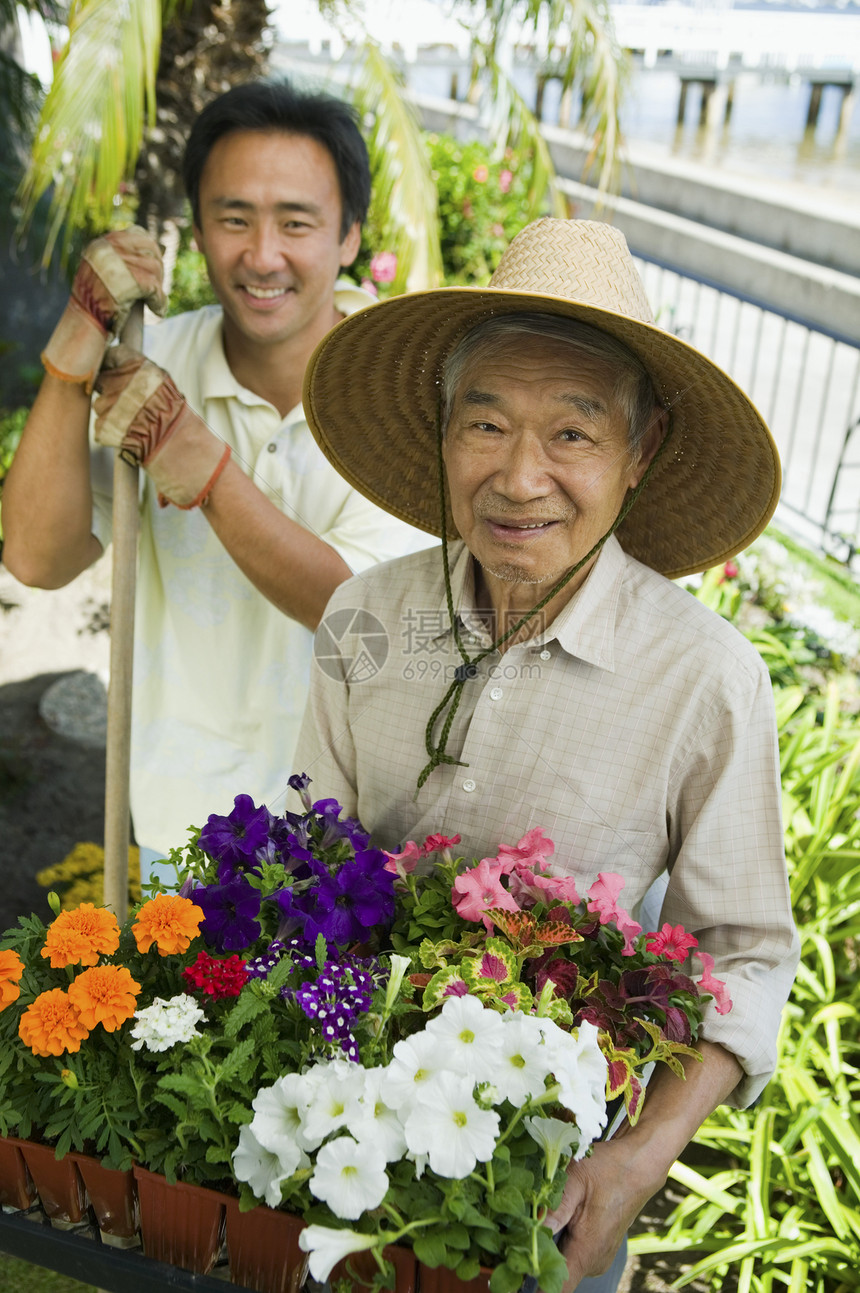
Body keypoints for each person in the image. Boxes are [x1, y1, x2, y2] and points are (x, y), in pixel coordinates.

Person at [293, 218, 799, 1292]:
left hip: (546, 1184)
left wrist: (639, 1155)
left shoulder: (703, 676)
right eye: (485, 423)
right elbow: (309, 860)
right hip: (338, 1136)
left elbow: (741, 955)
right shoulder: (365, 614)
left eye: (571, 434)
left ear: (640, 450)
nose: (520, 478)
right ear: (440, 434)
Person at [2, 80, 430, 876]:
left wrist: (202, 467)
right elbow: (35, 557)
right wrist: (74, 355)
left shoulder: (401, 396)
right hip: (182, 829)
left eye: (296, 222)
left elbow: (353, 621)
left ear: (347, 238)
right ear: (198, 230)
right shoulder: (156, 365)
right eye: (234, 218)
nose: (262, 256)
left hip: (349, 838)